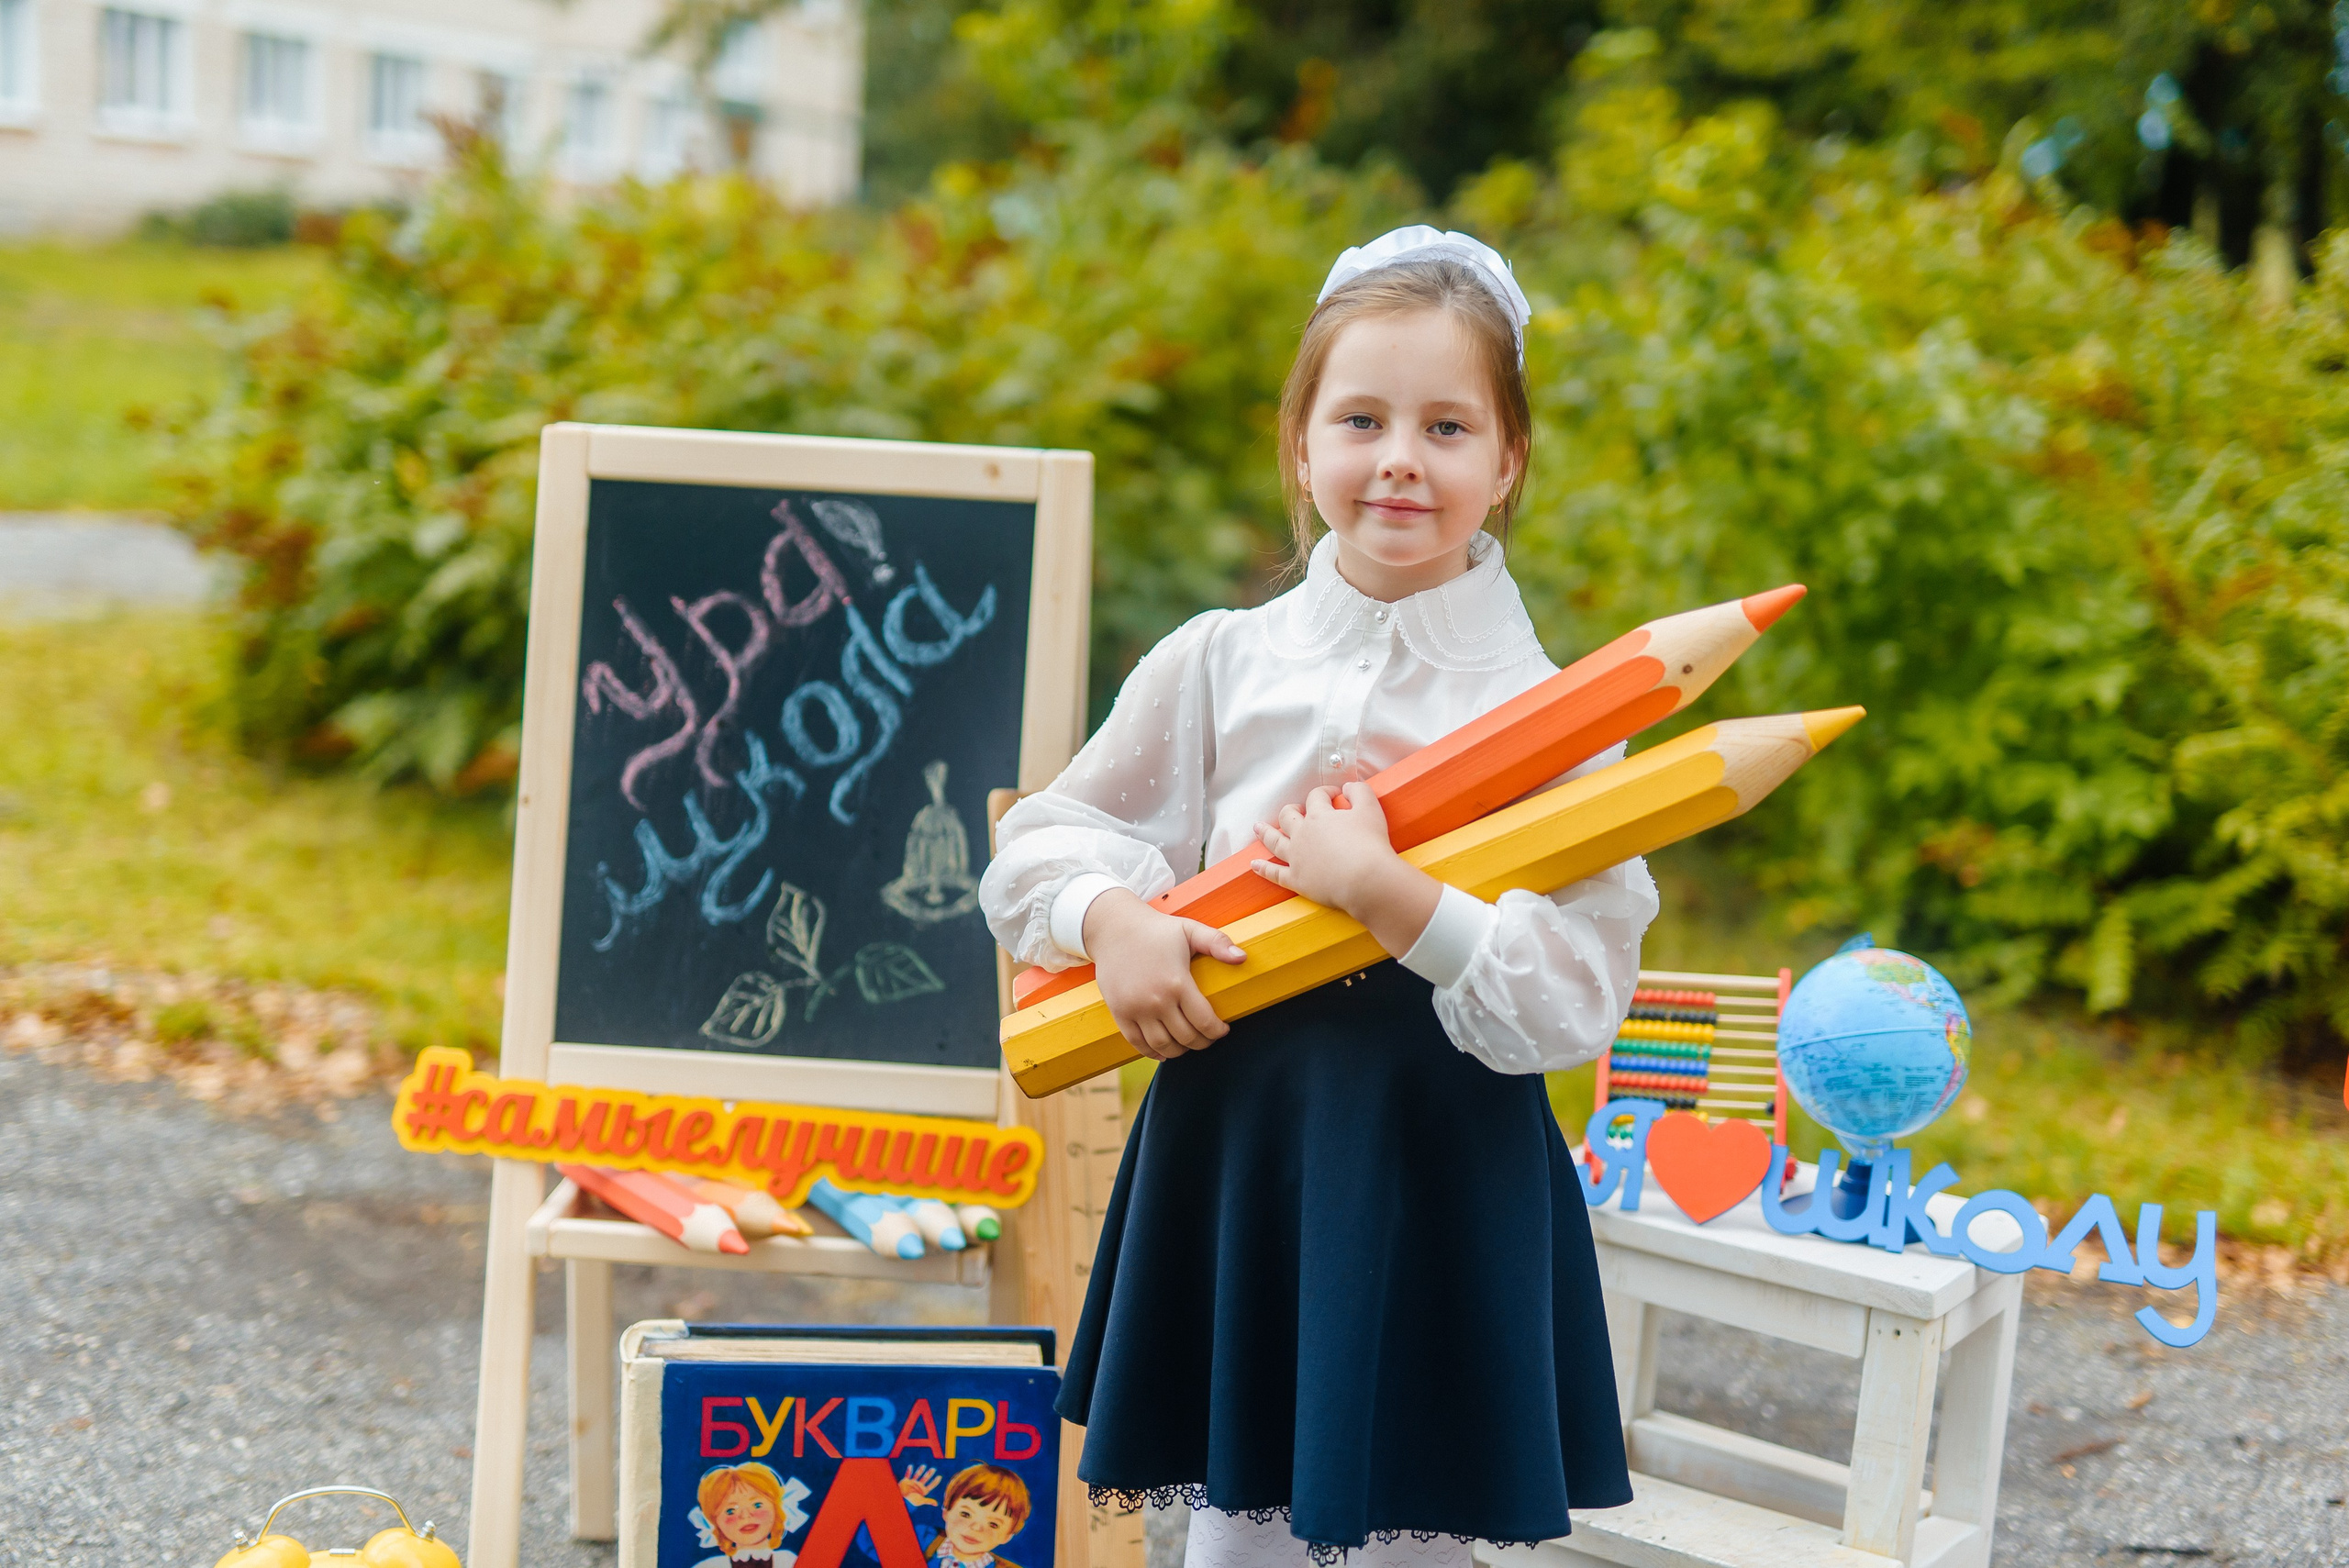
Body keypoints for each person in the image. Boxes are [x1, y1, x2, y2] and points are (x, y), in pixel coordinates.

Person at [978, 226, 1657, 1568]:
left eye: (1448, 425)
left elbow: (1583, 991)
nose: (1402, 456)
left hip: (1435, 1150)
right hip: (1248, 1138)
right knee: (1242, 1526)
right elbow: (1048, 839)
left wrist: (1394, 898)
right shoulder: (1223, 663)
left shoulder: (1558, 713)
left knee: (1415, 1522)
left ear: (1507, 461)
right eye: (1363, 417)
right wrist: (1112, 920)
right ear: (1302, 444)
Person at [897, 1462, 1034, 1568]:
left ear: (1008, 1536)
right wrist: (902, 1503)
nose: (975, 1528)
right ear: (946, 1511)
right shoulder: (923, 1538)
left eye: (993, 1524)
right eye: (966, 1514)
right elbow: (878, 1546)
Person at [691, 1462, 805, 1568]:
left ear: (776, 1509)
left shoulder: (789, 1561)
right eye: (730, 1511)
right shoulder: (709, 1566)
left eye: (757, 1505)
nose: (745, 1516)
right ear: (714, 1521)